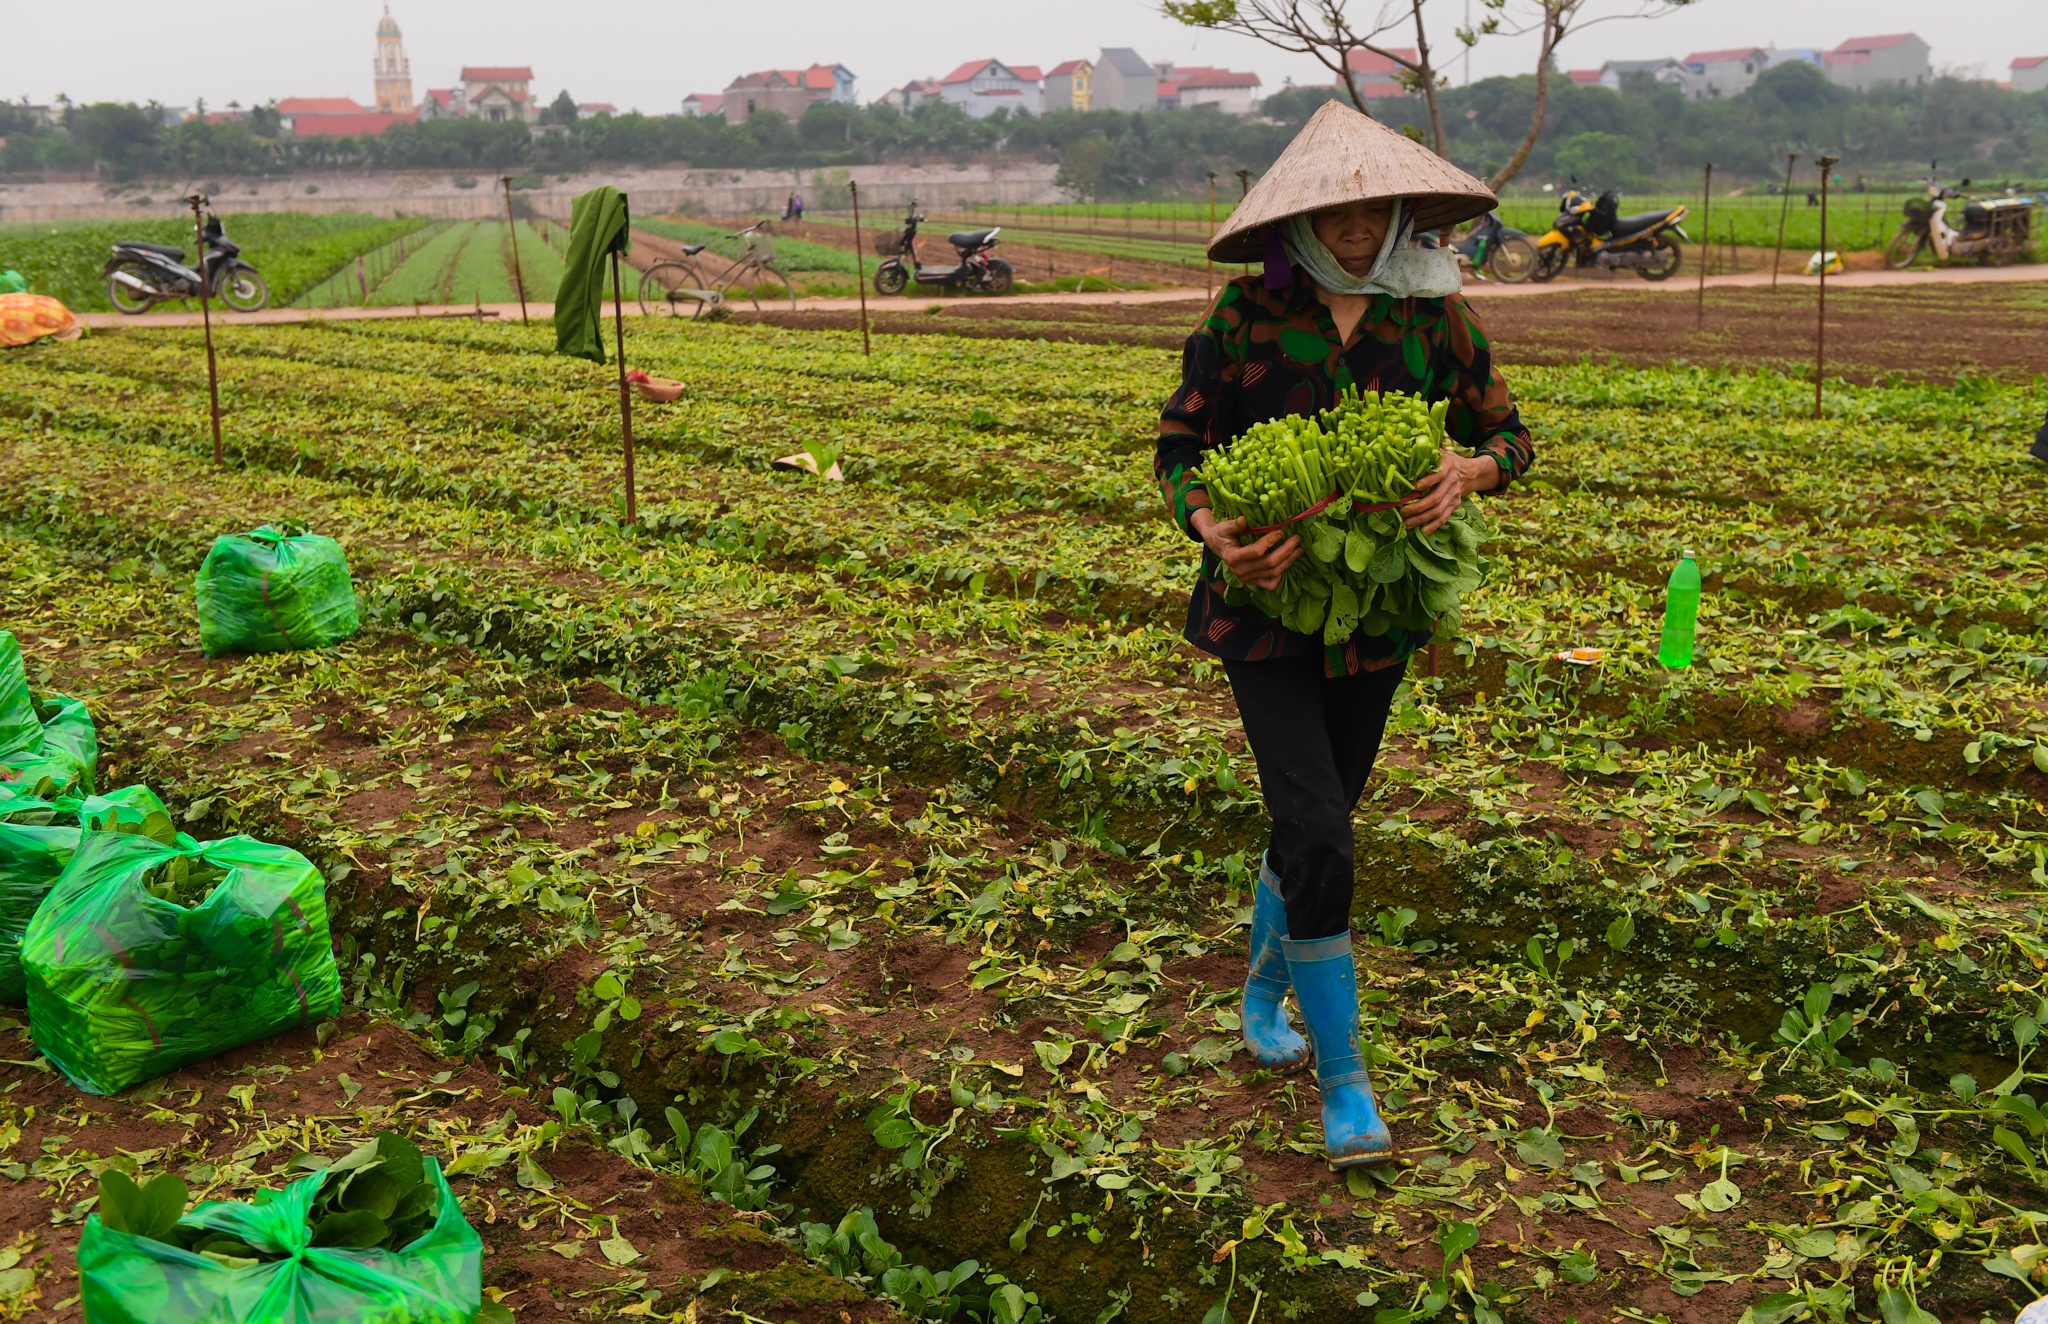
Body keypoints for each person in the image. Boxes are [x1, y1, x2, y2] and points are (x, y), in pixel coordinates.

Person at [1155, 101, 1535, 1170]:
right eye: (1339, 212)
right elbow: (1178, 447)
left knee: (1318, 818)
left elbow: (1509, 435)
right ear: (1301, 218)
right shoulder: (1240, 321)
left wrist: (1468, 471)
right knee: (1320, 825)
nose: (1360, 230)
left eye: (1375, 209)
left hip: (1375, 613)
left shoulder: (1432, 317)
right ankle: (1344, 1080)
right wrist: (1214, 529)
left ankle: (1265, 983)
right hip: (1263, 609)